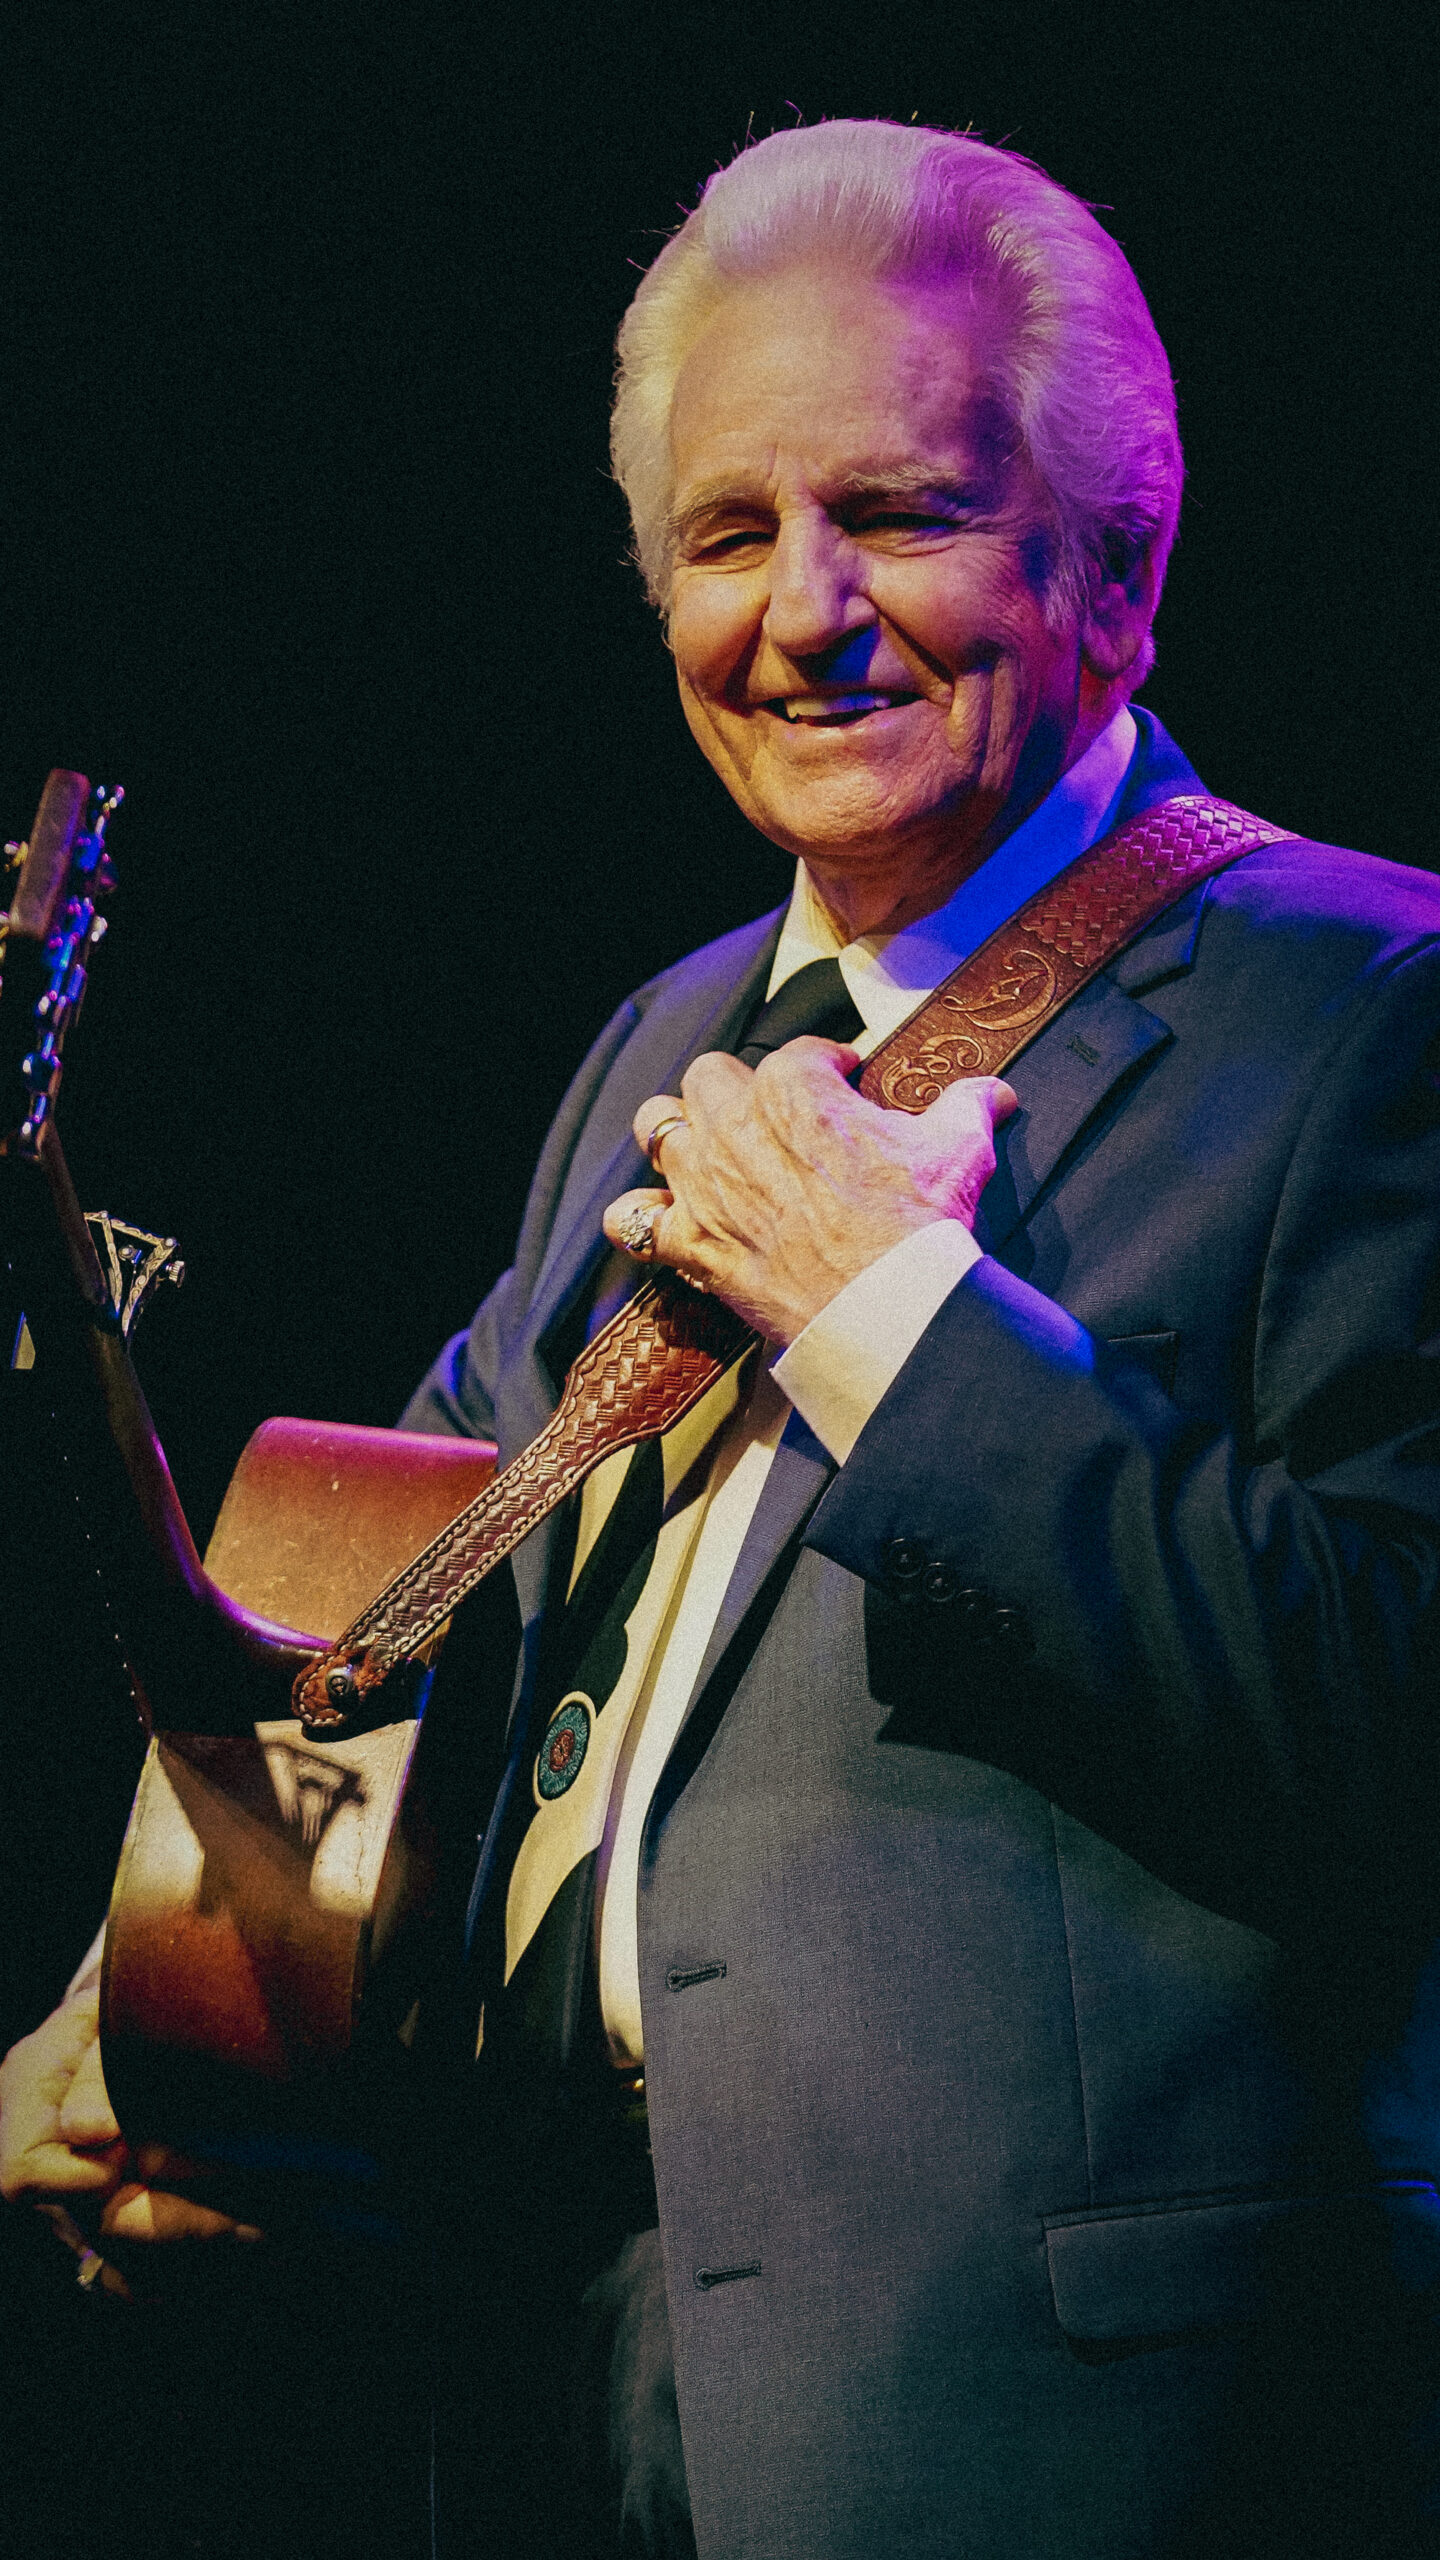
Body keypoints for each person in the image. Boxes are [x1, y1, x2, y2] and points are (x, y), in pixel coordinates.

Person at [7, 117, 1440, 2560]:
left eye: (898, 514)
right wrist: (145, 2012)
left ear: (1118, 565)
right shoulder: (660, 1044)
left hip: (1073, 2440)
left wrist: (893, 1319)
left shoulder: (1370, 1004)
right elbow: (398, 1602)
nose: (806, 611)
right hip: (569, 2390)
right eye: (726, 534)